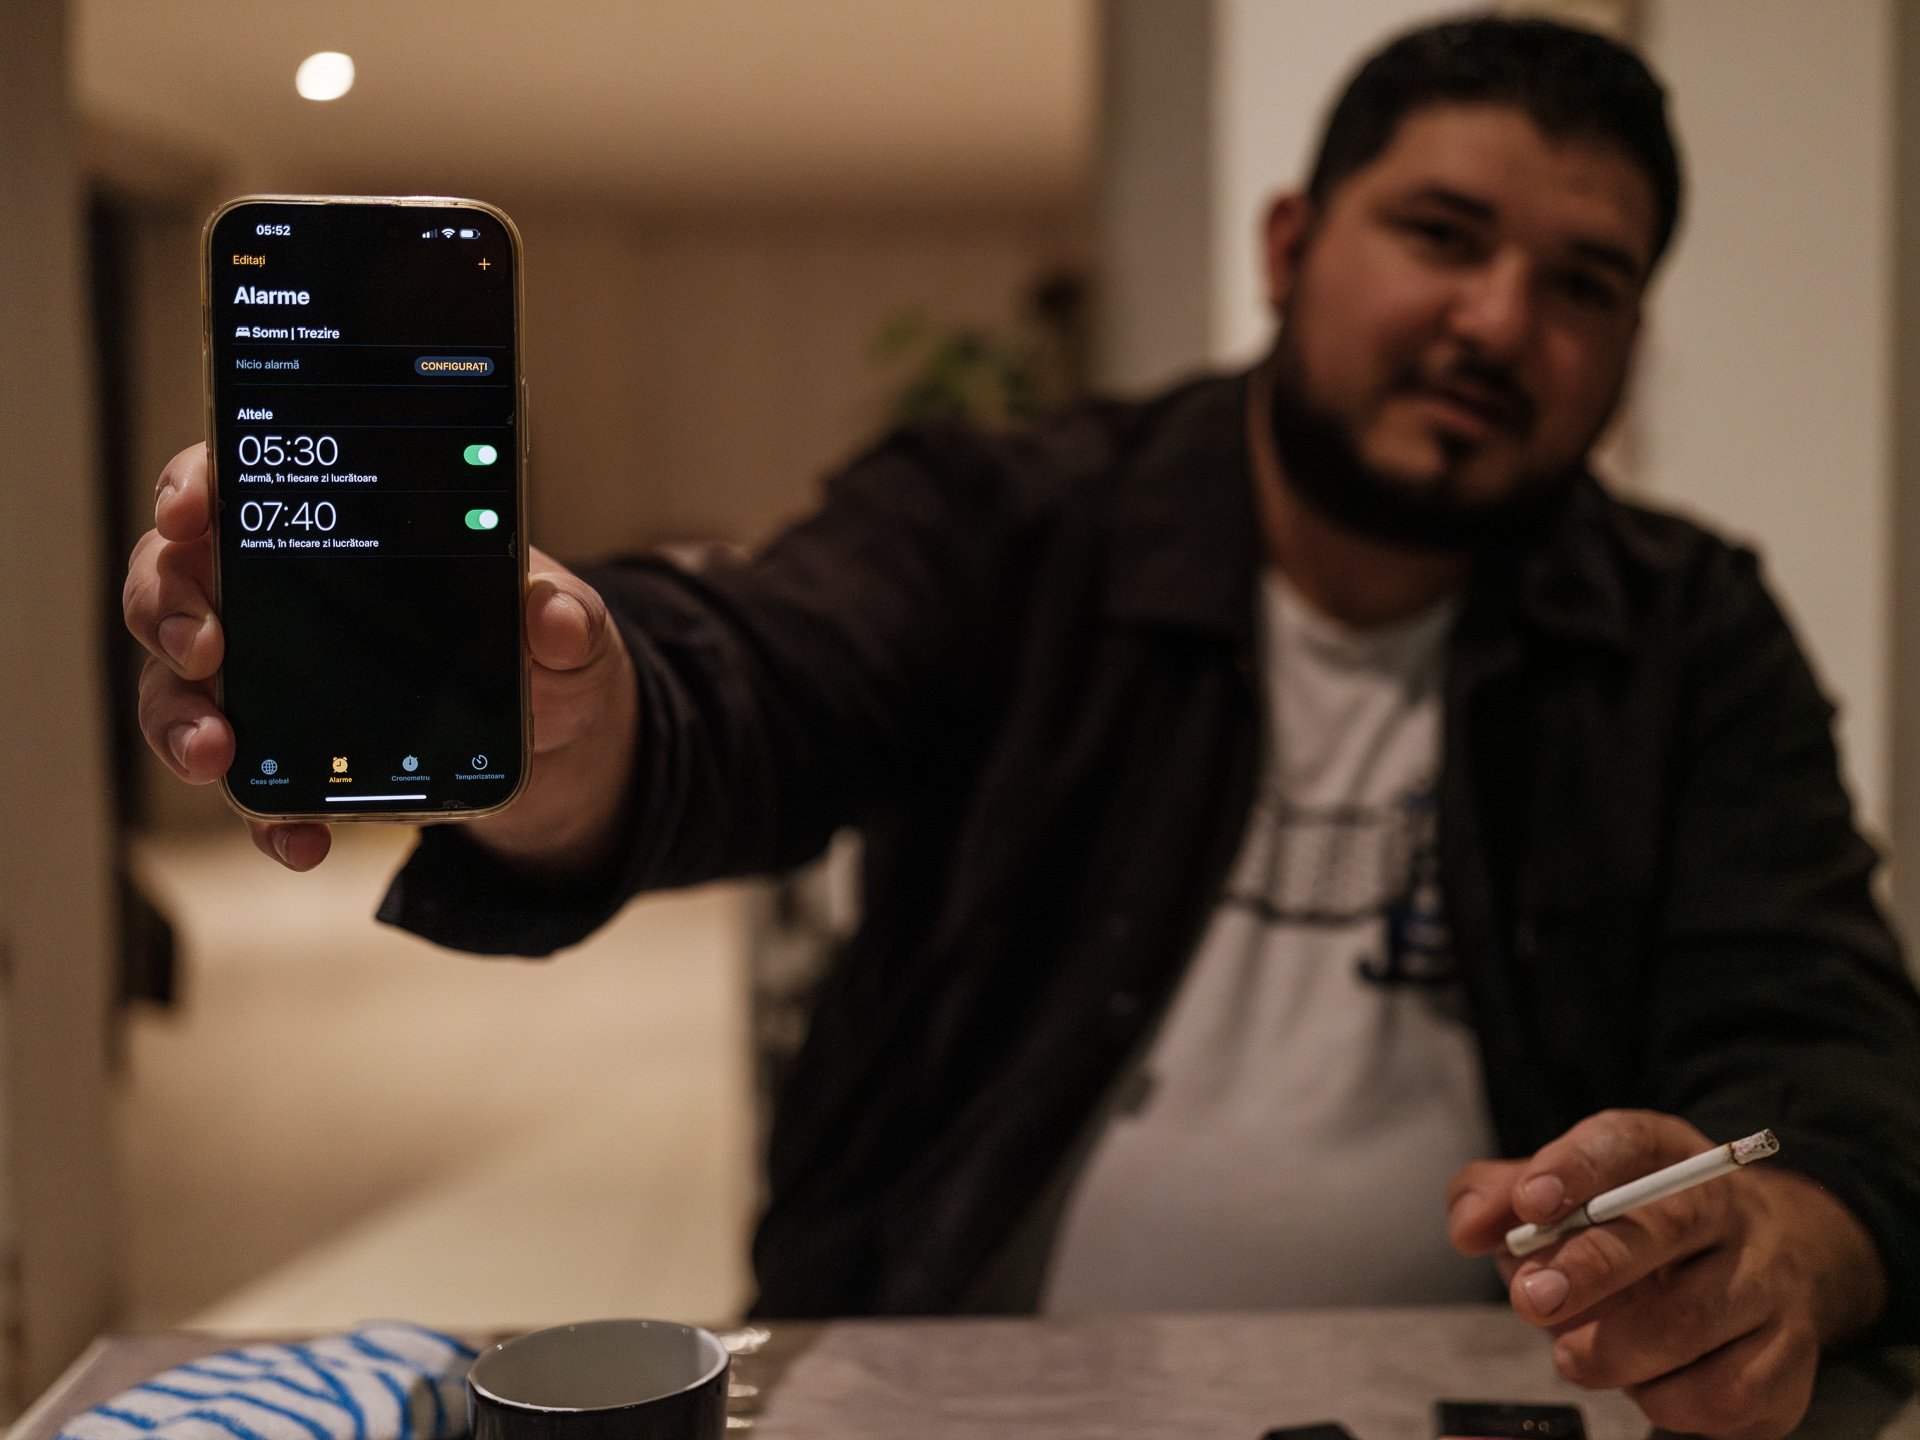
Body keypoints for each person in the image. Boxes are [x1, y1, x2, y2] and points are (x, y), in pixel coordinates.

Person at [125, 16, 1920, 1439]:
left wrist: (1783, 1249)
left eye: (1585, 284)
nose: (1499, 321)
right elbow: (756, 680)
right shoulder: (1014, 524)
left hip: (1477, 1403)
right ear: (1290, 246)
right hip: (956, 1380)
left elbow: (1837, 1061)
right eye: (1443, 236)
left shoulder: (1685, 632)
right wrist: (561, 713)